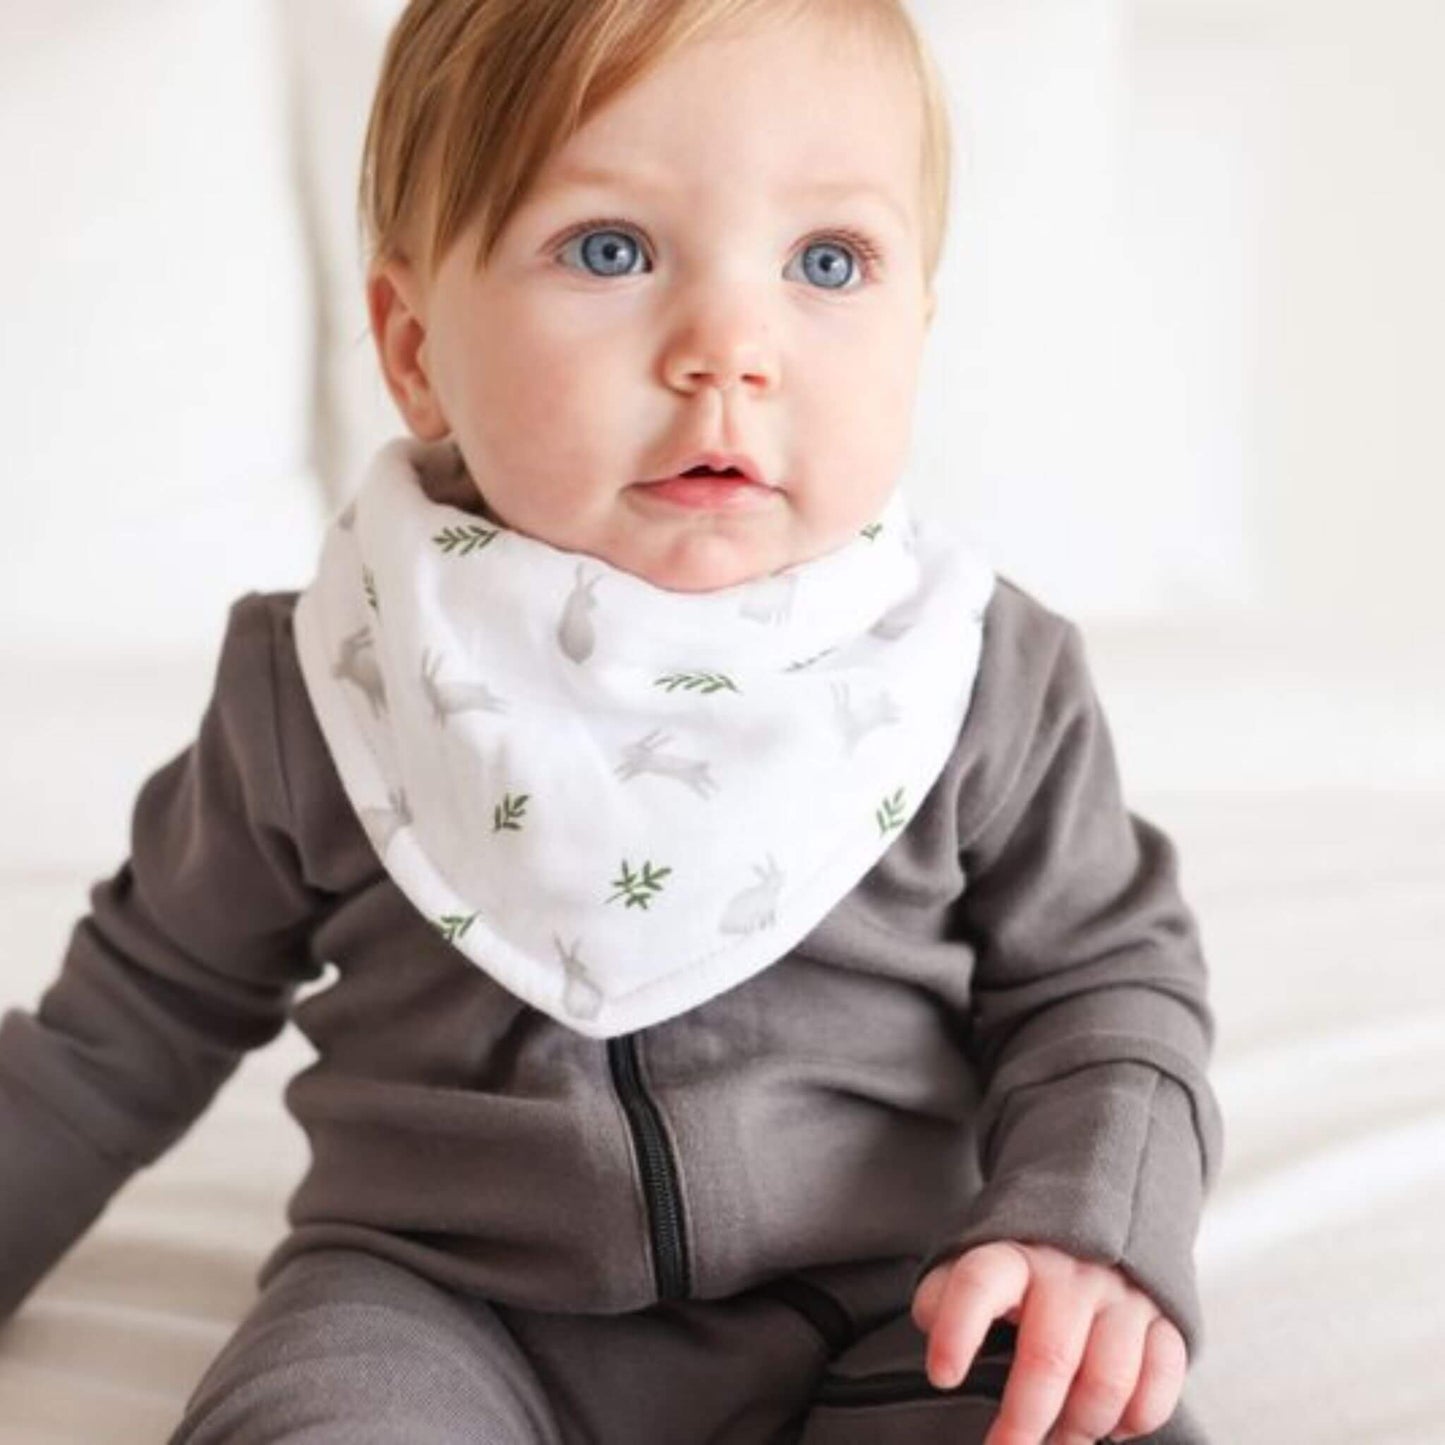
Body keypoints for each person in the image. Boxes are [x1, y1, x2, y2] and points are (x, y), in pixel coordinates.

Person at [0, 1, 1223, 1441]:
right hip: (437, 1304)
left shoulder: (971, 673)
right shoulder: (337, 671)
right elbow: (128, 1020)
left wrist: (1082, 1229)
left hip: (893, 1301)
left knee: (1065, 1422)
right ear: (412, 345)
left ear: (919, 327)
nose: (729, 347)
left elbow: (1102, 991)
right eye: (609, 249)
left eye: (826, 262)